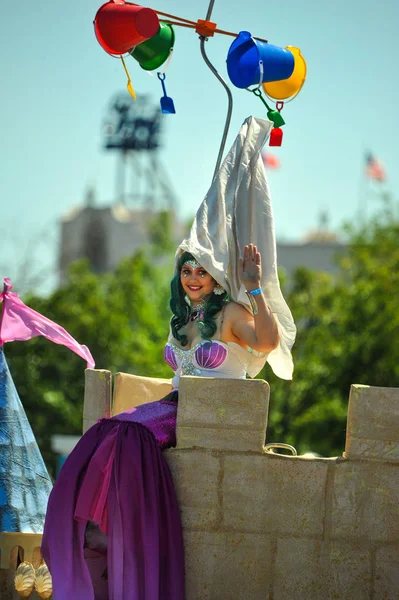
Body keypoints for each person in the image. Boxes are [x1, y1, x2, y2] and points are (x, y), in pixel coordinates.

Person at [41, 116, 296, 600]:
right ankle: (97, 538)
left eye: (202, 269)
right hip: (177, 406)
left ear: (217, 275)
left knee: (126, 433)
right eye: (186, 269)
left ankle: (130, 542)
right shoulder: (184, 318)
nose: (193, 277)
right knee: (105, 433)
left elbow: (265, 343)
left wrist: (256, 286)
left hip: (212, 412)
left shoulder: (233, 315)